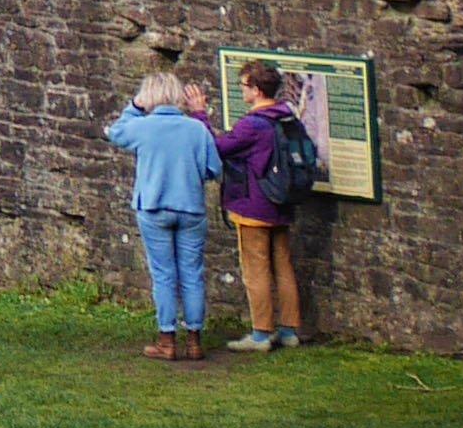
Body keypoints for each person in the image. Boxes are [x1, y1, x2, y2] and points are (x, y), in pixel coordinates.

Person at [106, 72, 222, 360]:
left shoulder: (143, 127)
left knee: (163, 274)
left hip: (154, 206)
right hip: (191, 207)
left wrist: (135, 105)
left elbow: (115, 133)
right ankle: (194, 340)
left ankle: (167, 339)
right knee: (192, 273)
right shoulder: (197, 129)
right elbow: (214, 169)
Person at [216, 60, 321, 350]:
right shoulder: (286, 116)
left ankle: (261, 333)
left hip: (254, 204)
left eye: (244, 85)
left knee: (256, 268)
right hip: (282, 200)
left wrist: (200, 115)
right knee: (283, 266)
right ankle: (289, 329)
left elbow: (219, 146)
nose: (241, 91)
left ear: (256, 89)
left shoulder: (252, 125)